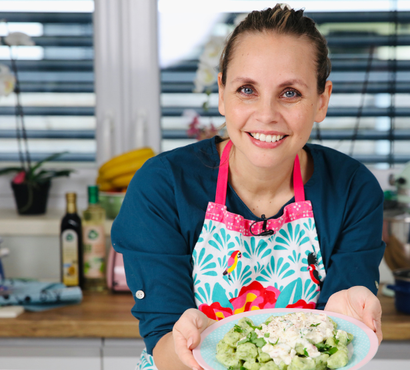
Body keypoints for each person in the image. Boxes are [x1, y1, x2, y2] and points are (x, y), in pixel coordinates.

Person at [111, 4, 385, 369]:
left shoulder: (352, 189)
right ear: (222, 93)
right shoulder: (164, 185)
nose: (267, 114)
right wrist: (187, 344)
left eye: (290, 93)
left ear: (322, 100)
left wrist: (347, 323)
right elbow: (163, 342)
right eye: (247, 89)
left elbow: (337, 345)